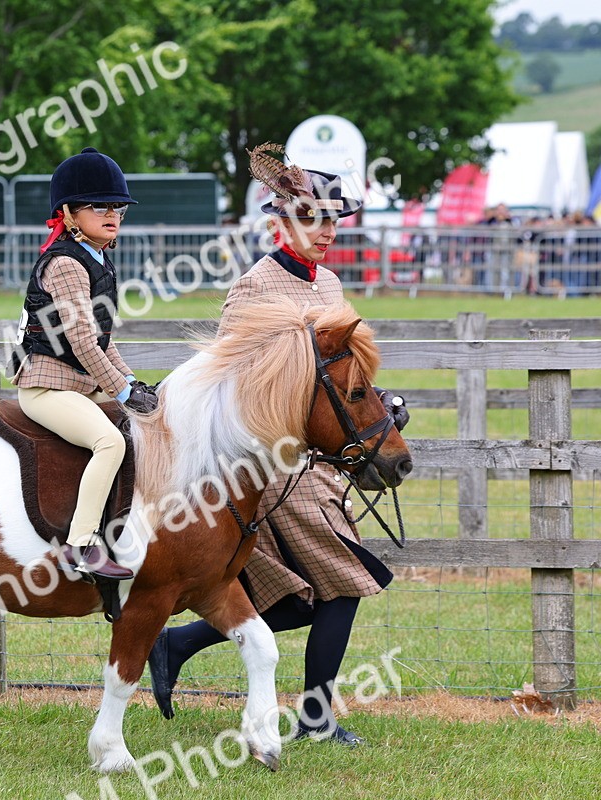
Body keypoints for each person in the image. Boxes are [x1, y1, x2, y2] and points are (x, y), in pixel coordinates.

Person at [147, 143, 409, 746]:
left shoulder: (331, 284)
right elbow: (229, 378)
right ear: (281, 222)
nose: (325, 234)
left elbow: (339, 373)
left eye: (333, 222)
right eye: (313, 220)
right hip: (274, 465)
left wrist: (377, 407)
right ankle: (315, 719)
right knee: (345, 582)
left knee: (301, 599)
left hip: (323, 465)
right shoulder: (253, 288)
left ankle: (177, 642)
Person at [10, 147, 158, 580]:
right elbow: (82, 343)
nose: (113, 214)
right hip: (46, 387)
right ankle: (80, 545)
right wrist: (123, 391)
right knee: (109, 442)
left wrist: (132, 381)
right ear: (70, 214)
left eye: (118, 207)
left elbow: (102, 341)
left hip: (78, 385)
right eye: (100, 206)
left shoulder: (97, 259)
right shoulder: (66, 264)